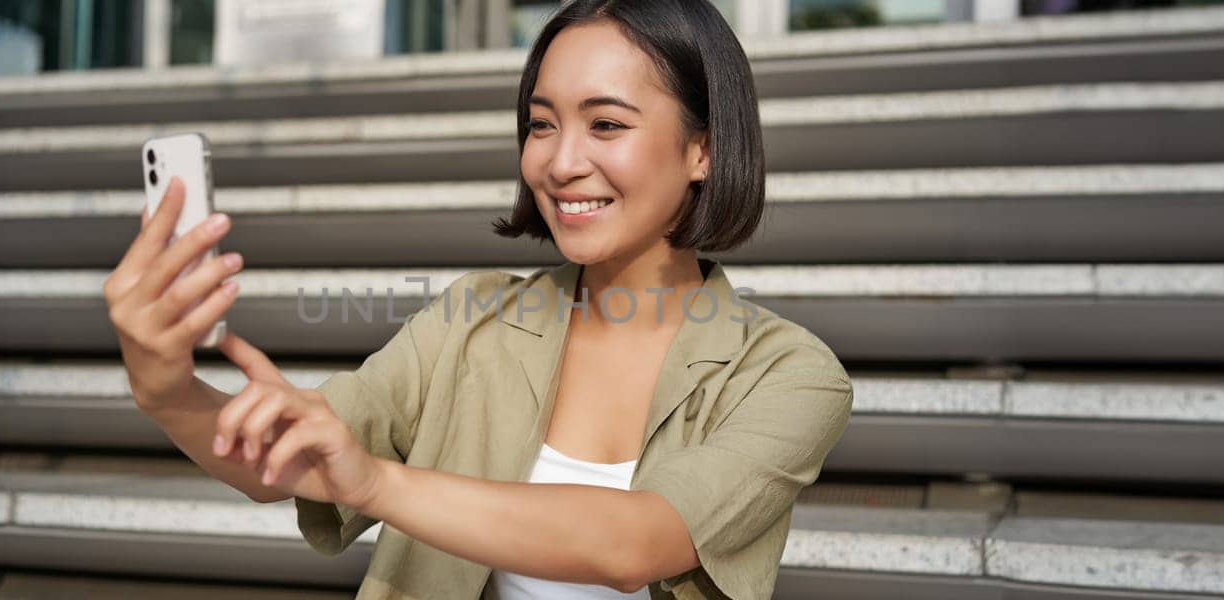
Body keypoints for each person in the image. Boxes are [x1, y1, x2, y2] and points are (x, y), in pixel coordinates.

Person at [103, 1, 853, 598]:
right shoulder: (474, 319)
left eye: (606, 125)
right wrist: (164, 386)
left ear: (705, 149)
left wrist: (376, 481)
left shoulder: (788, 374)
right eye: (541, 124)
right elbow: (296, 466)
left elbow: (633, 545)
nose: (560, 163)